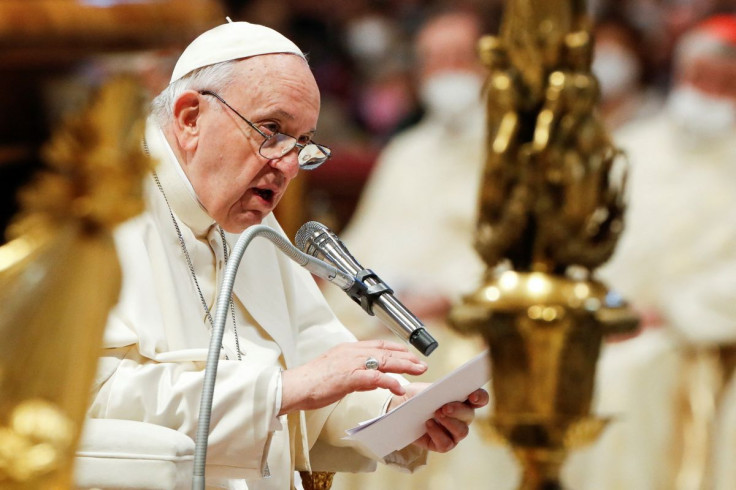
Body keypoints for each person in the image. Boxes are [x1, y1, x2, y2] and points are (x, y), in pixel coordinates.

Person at [86, 20, 488, 490]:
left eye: (302, 144)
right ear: (190, 118)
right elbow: (89, 397)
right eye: (271, 130)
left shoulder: (250, 225)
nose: (288, 165)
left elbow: (317, 375)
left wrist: (395, 414)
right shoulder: (100, 219)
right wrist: (280, 389)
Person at [325, 10, 521, 490]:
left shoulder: (517, 153)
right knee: (337, 354)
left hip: (464, 319)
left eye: (459, 58)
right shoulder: (406, 152)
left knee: (430, 362)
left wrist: (446, 294)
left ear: (492, 66)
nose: (444, 73)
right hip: (386, 313)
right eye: (432, 61)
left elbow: (522, 252)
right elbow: (361, 248)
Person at [562, 14, 736, 490]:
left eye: (726, 85)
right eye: (700, 78)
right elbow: (582, 242)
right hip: (608, 318)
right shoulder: (629, 149)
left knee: (625, 380)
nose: (709, 95)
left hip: (692, 336)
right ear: (679, 74)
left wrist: (667, 311)